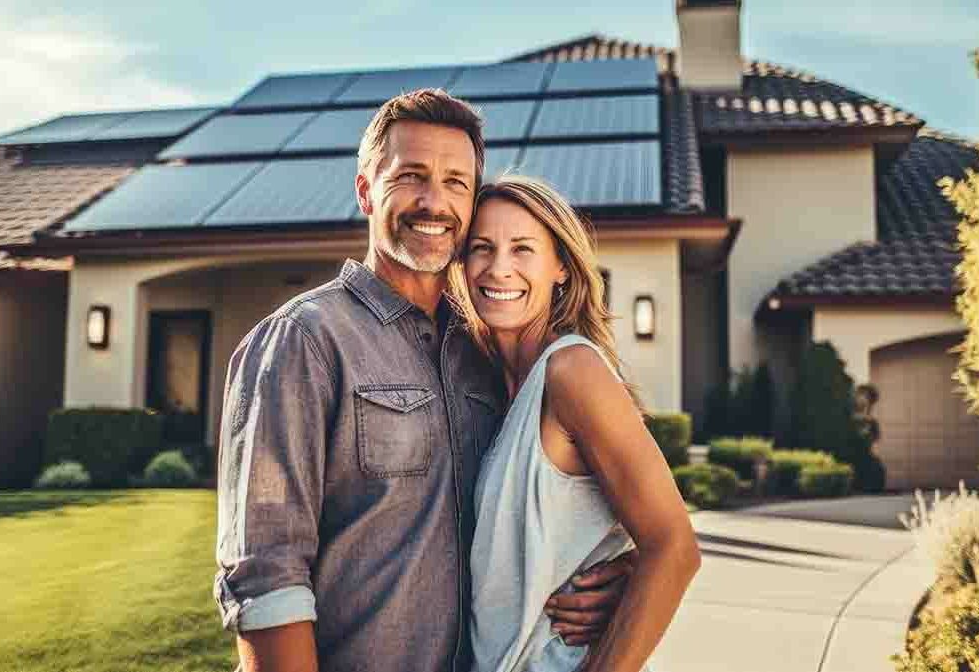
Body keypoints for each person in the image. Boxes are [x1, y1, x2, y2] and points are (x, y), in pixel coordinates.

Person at [214, 90, 635, 672]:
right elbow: (266, 575)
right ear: (365, 189)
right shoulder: (304, 340)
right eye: (411, 176)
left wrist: (614, 573)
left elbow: (547, 506)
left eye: (457, 182)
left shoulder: (486, 352)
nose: (434, 202)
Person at [447, 175, 701, 672]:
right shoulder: (488, 386)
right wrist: (621, 568)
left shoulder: (571, 370)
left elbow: (674, 548)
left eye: (523, 250)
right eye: (482, 248)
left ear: (560, 267)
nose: (499, 268)